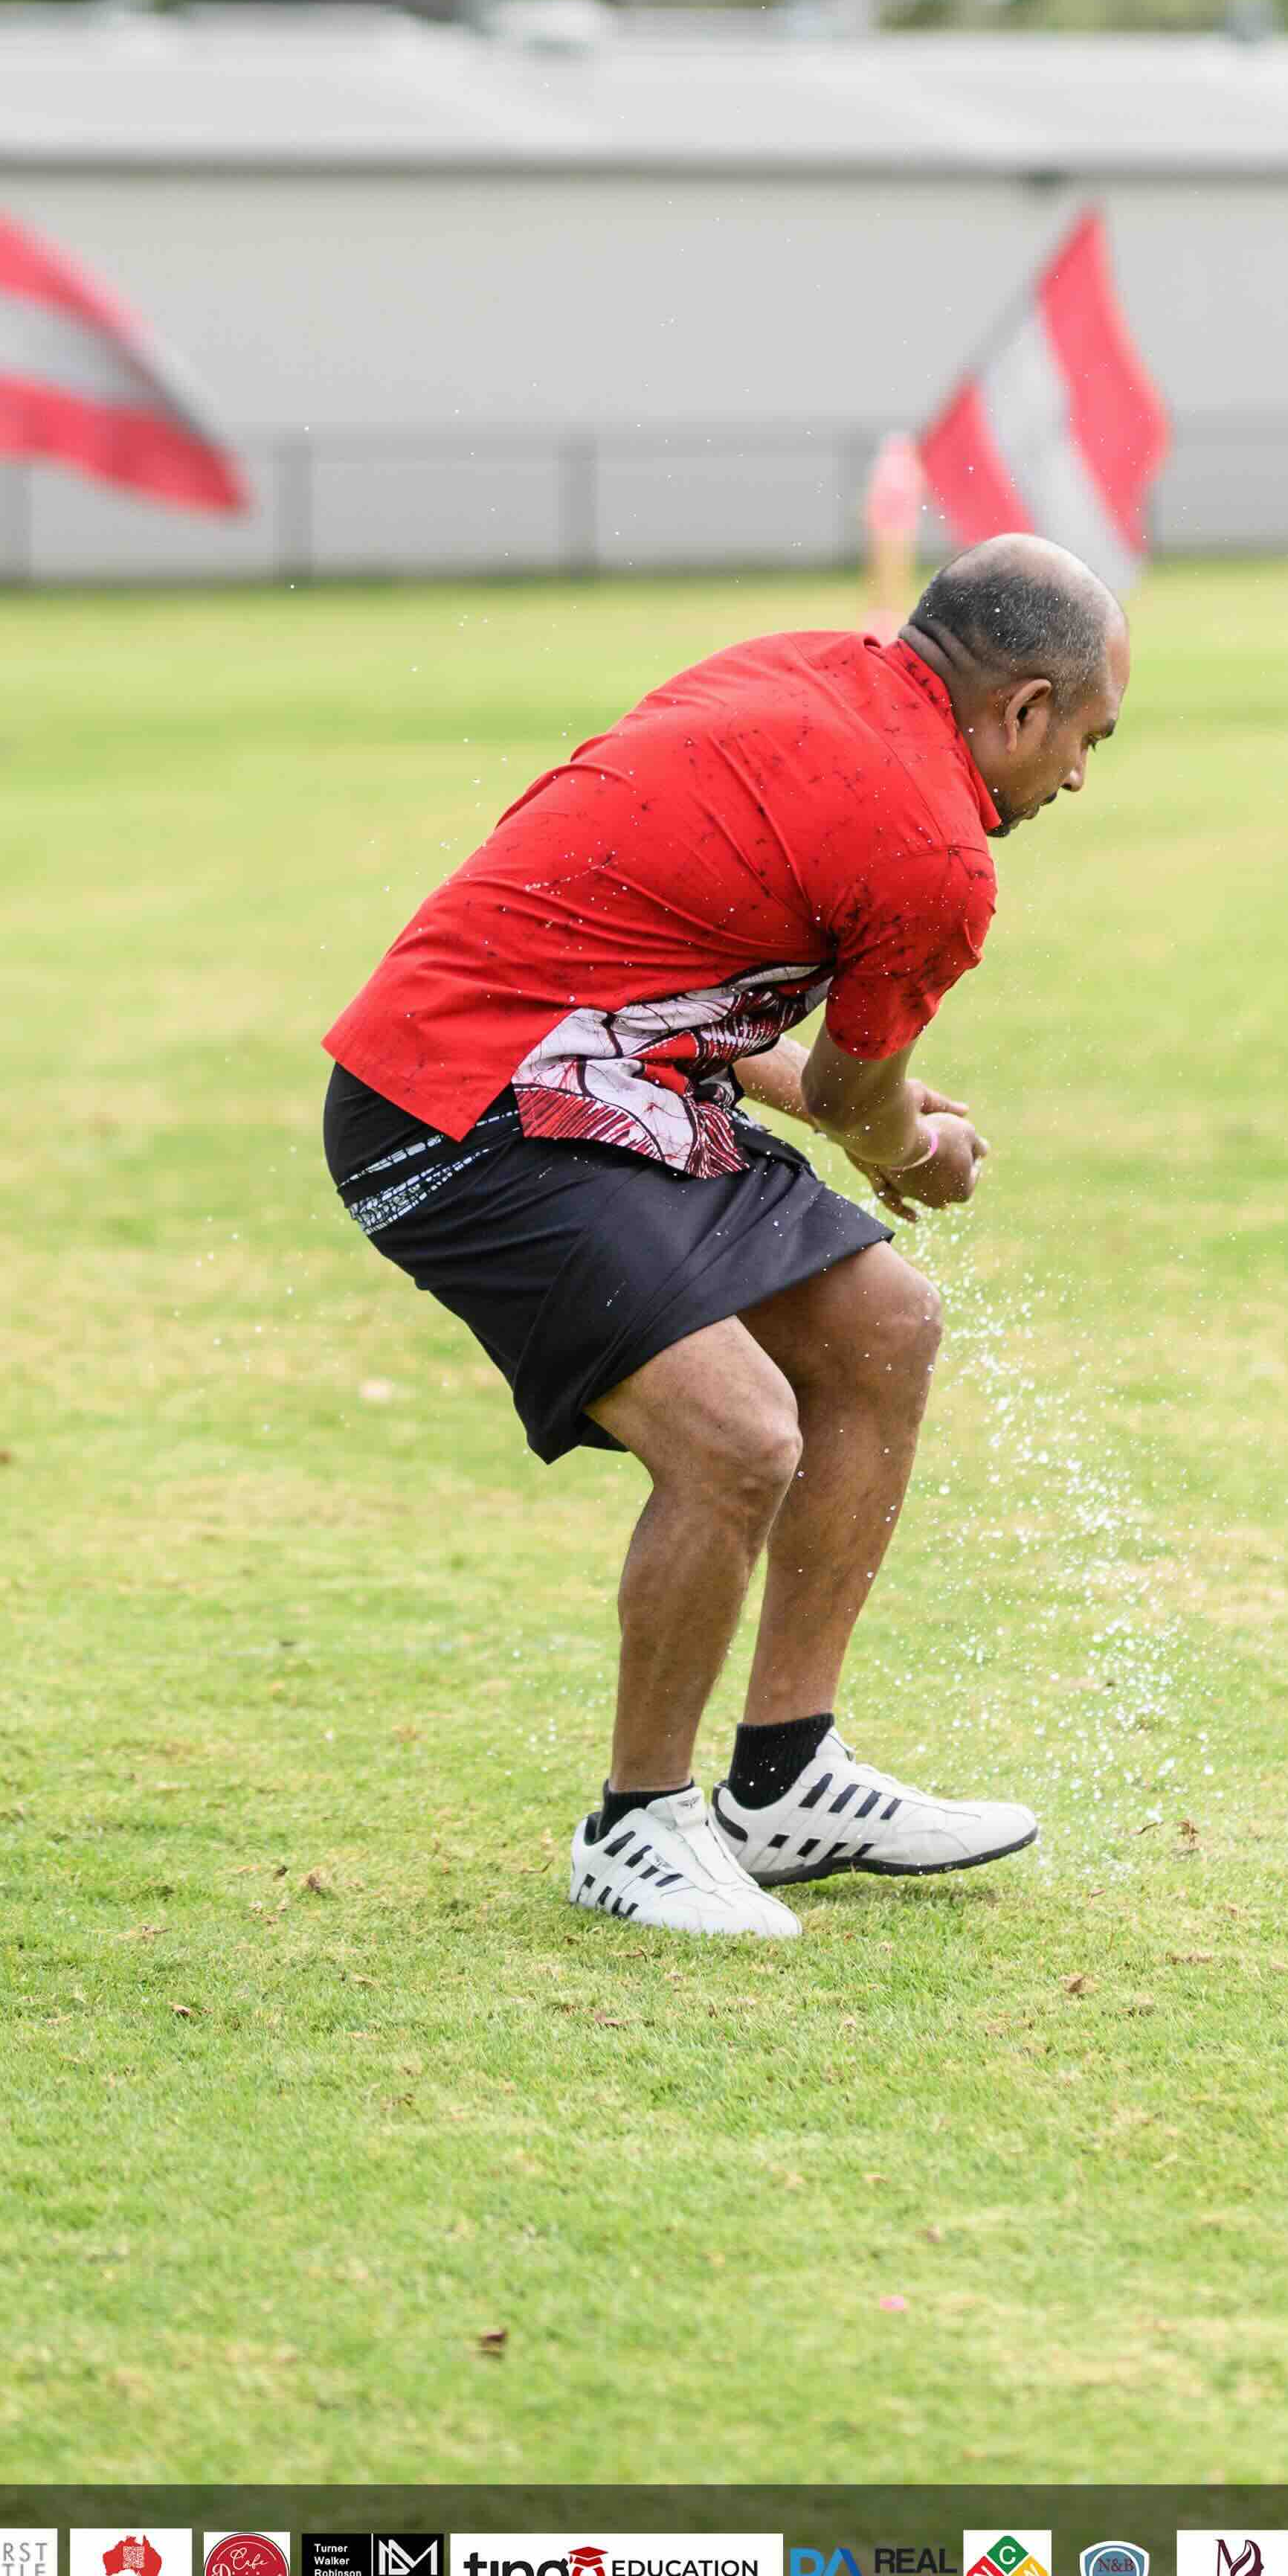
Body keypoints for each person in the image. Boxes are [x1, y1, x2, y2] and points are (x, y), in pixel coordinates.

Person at [323, 534, 1131, 1941]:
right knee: (739, 1435)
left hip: (583, 1075)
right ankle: (635, 1823)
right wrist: (906, 1145)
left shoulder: (795, 671)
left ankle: (783, 1778)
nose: (1072, 778)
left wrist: (846, 1107)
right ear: (1021, 706)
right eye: (1081, 738)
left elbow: (638, 958)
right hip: (452, 1112)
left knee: (884, 1325)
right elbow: (851, 1098)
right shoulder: (936, 848)